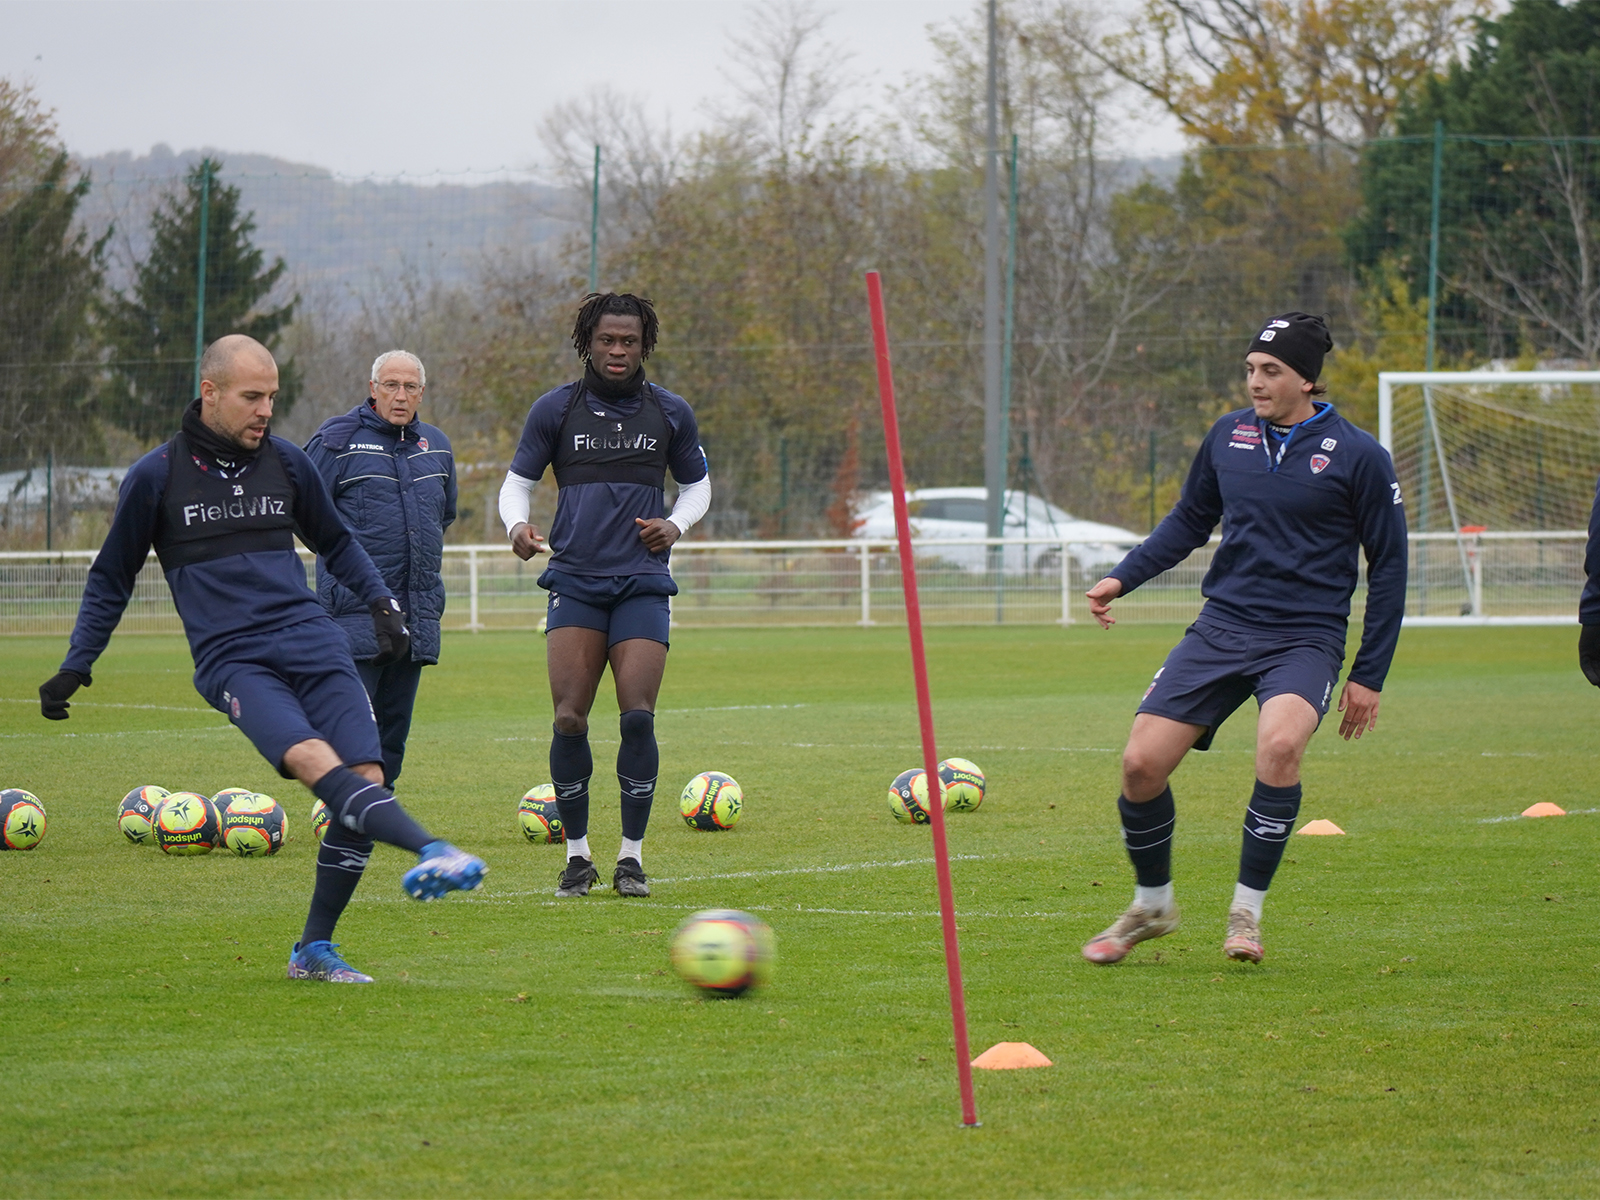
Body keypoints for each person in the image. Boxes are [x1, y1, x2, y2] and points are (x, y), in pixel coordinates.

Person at [38, 335, 486, 984]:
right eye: (252, 397)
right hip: (234, 659)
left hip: (313, 638)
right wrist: (78, 663)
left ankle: (313, 950)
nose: (265, 411)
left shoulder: (287, 462)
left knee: (369, 773)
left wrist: (383, 604)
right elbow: (112, 577)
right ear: (210, 392)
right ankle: (434, 849)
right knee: (311, 758)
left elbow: (337, 541)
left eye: (272, 397)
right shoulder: (156, 476)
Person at [1080, 312, 1407, 965]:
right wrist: (1122, 578)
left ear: (1306, 379)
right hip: (1222, 626)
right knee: (1140, 765)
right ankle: (1153, 905)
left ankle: (1245, 916)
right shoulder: (1227, 436)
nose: (1255, 382)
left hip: (1304, 637)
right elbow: (1188, 522)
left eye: (1271, 371)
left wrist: (1368, 674)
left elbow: (1391, 565)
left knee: (1280, 747)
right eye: (1251, 369)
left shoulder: (1359, 455)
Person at [497, 292, 710, 899]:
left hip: (642, 582)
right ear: (587, 343)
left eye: (629, 341)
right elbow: (517, 483)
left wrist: (676, 525)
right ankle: (577, 857)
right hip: (575, 581)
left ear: (645, 345)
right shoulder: (555, 409)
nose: (618, 350)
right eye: (607, 340)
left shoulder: (670, 411)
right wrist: (516, 526)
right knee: (569, 717)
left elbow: (697, 486)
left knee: (636, 716)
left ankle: (631, 859)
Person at [305, 349, 456, 789]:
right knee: (352, 727)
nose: (400, 395)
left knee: (393, 732)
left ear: (422, 393)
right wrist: (344, 564)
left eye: (410, 387)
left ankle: (378, 806)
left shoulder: (438, 446)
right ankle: (341, 805)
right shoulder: (337, 442)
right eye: (391, 385)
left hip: (415, 614)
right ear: (373, 389)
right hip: (355, 613)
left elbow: (443, 517)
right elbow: (304, 514)